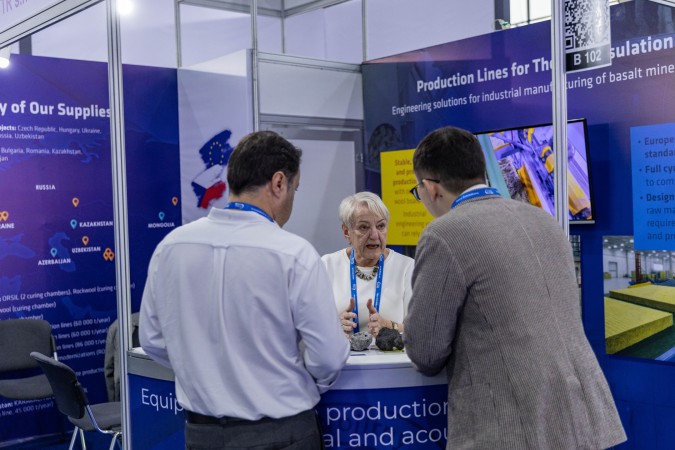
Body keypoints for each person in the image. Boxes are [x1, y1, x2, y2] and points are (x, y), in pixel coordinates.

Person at [404, 126, 626, 449]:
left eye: (418, 192)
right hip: (581, 419)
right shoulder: (546, 222)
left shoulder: (444, 234)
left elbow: (425, 351)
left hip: (511, 426)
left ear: (431, 188)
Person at [139, 131, 350, 450]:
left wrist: (204, 373)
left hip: (203, 435)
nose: (292, 200)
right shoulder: (293, 254)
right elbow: (329, 358)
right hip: (281, 433)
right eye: (294, 189)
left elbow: (153, 341)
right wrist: (298, 384)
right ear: (279, 183)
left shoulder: (171, 247)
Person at [321, 192, 414, 337]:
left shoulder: (407, 267)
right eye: (364, 227)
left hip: (391, 351)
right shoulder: (327, 265)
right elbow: (310, 325)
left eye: (381, 226)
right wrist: (333, 325)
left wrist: (389, 326)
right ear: (346, 232)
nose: (375, 235)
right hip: (342, 351)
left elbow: (420, 330)